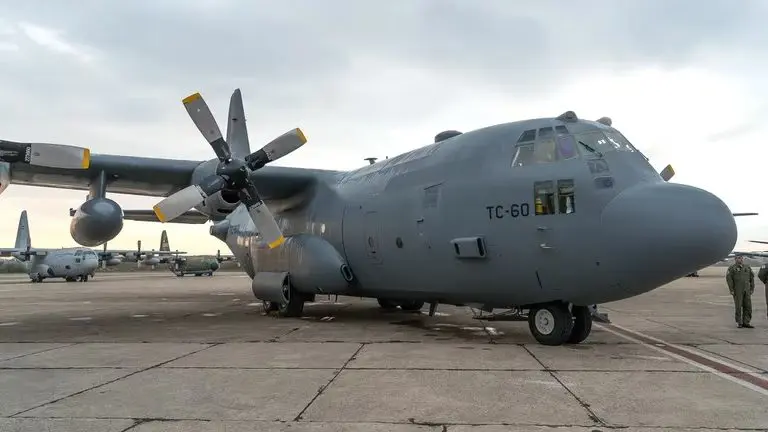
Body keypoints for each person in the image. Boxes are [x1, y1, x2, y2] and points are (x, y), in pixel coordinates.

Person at [726, 255, 755, 328]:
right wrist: (731, 289)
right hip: (737, 290)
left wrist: (752, 288)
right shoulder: (732, 268)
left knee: (748, 306)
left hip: (747, 290)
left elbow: (752, 278)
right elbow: (729, 280)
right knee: (738, 306)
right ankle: (739, 322)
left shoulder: (747, 267)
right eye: (739, 258)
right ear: (735, 259)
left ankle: (746, 322)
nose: (741, 259)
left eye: (742, 258)